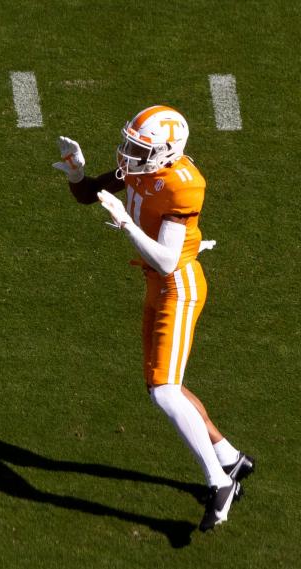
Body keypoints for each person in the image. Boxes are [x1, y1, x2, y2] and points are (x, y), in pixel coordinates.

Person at [53, 105, 252, 531]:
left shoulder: (182, 187)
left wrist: (125, 223)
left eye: (138, 148)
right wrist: (75, 172)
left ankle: (219, 482)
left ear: (166, 152)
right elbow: (91, 193)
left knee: (163, 391)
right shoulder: (142, 167)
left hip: (177, 286)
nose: (127, 155)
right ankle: (231, 459)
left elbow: (165, 260)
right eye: (130, 144)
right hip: (158, 285)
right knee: (166, 385)